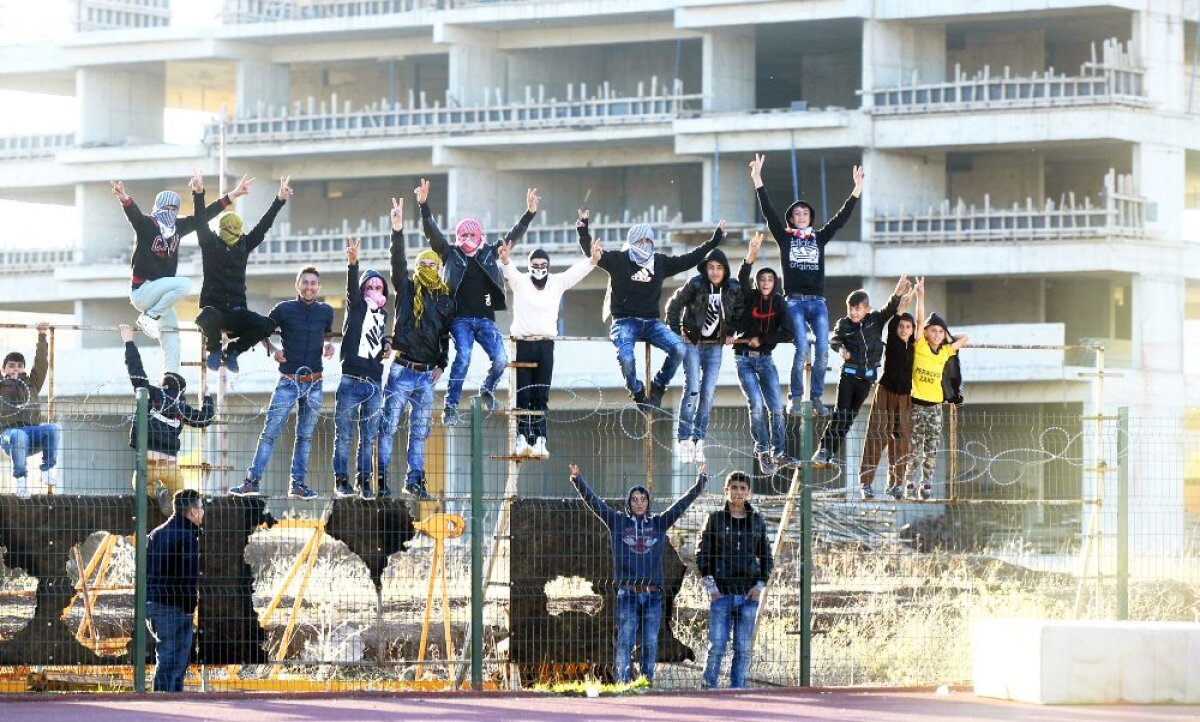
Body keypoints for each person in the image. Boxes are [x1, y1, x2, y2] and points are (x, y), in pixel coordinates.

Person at [569, 462, 707, 685]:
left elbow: (681, 505)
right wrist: (578, 480)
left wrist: (700, 484)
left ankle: (645, 681)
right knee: (625, 641)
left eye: (643, 499)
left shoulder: (659, 523)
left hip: (653, 595)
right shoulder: (617, 522)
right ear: (628, 503)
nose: (639, 503)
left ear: (648, 502)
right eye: (634, 499)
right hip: (628, 593)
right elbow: (596, 504)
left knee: (651, 642)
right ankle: (623, 684)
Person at [748, 154, 864, 416]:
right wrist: (758, 180)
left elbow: (840, 219)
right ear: (792, 219)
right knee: (801, 348)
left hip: (817, 302)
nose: (801, 215)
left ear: (810, 218)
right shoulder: (785, 239)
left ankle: (817, 398)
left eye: (805, 213)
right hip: (794, 301)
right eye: (797, 213)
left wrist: (856, 190)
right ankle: (796, 398)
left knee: (823, 350)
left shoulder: (819, 238)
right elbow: (769, 213)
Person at [416, 179, 538, 425]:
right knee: (463, 356)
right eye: (463, 234)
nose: (468, 238)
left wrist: (529, 214)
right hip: (459, 320)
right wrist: (423, 206)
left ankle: (487, 388)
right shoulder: (450, 253)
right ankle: (450, 406)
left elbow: (512, 237)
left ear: (480, 235)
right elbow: (432, 233)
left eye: (472, 234)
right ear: (457, 236)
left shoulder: (488, 253)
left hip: (485, 319)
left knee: (502, 359)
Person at [111, 172, 253, 375]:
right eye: (166, 208)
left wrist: (233, 195)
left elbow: (204, 216)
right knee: (184, 284)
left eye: (174, 209)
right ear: (157, 208)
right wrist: (124, 198)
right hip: (143, 290)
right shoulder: (147, 225)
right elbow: (133, 213)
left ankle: (171, 379)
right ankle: (149, 317)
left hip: (160, 298)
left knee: (172, 336)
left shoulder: (178, 227)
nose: (170, 212)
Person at [581, 214, 726, 409]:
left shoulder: (660, 262)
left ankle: (658, 385)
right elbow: (594, 255)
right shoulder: (618, 259)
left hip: (651, 323)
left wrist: (715, 239)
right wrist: (583, 231)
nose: (645, 244)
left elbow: (689, 259)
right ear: (632, 242)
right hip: (624, 321)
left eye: (648, 240)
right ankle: (636, 390)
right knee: (625, 356)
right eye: (640, 240)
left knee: (679, 348)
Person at [498, 209, 600, 459]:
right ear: (530, 266)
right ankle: (522, 438)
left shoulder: (556, 283)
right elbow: (509, 270)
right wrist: (505, 259)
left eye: (543, 265)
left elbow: (575, 273)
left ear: (549, 267)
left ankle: (540, 439)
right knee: (524, 394)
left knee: (541, 395)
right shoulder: (521, 282)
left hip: (545, 345)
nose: (540, 269)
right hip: (522, 344)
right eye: (535, 265)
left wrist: (593, 261)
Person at [228, 265, 335, 499]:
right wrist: (272, 349)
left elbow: (327, 332)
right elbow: (262, 329)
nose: (309, 287)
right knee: (270, 433)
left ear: (319, 287)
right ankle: (251, 482)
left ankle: (297, 485)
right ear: (297, 285)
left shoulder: (326, 311)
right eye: (304, 282)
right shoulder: (283, 309)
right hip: (287, 381)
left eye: (313, 283)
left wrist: (328, 345)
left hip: (315, 382)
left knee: (305, 437)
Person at [378, 197, 456, 501]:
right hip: (401, 369)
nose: (426, 267)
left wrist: (443, 363)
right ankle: (382, 479)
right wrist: (397, 231)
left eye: (431, 264)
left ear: (438, 267)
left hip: (426, 375)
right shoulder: (407, 289)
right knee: (388, 427)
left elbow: (445, 335)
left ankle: (415, 481)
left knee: (420, 433)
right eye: (422, 263)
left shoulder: (445, 298)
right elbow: (397, 264)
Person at [813, 275, 909, 481]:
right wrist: (841, 350)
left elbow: (890, 309)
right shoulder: (844, 324)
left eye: (857, 308)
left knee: (848, 419)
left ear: (867, 309)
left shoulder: (875, 321)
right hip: (848, 376)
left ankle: (828, 455)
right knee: (841, 414)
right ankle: (823, 450)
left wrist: (898, 292)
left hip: (865, 380)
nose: (853, 312)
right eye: (851, 309)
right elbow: (834, 340)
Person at [194, 176, 291, 374]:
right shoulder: (210, 243)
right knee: (205, 316)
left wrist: (279, 200)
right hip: (215, 309)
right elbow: (200, 221)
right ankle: (213, 349)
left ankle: (233, 351)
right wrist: (198, 194)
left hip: (238, 311)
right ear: (220, 228)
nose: (233, 231)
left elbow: (264, 226)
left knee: (266, 325)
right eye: (229, 228)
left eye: (236, 228)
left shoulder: (244, 245)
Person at [121, 324, 215, 515]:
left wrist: (128, 341)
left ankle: (157, 490)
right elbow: (205, 419)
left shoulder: (153, 394)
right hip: (171, 466)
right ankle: (185, 512)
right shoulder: (182, 408)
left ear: (163, 384)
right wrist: (207, 400)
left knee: (137, 485)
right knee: (178, 493)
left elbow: (137, 374)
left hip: (148, 462)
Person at [666, 243, 743, 465]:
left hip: (715, 345)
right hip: (693, 343)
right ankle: (683, 440)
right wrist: (676, 332)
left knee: (708, 392)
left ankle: (698, 440)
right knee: (692, 388)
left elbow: (739, 312)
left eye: (719, 267)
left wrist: (732, 332)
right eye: (711, 267)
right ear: (706, 268)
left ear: (725, 270)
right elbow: (673, 306)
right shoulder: (696, 284)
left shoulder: (733, 288)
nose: (715, 271)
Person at [696, 470, 773, 689]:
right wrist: (711, 586)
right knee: (717, 645)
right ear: (726, 490)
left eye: (743, 488)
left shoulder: (757, 522)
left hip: (748, 595)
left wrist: (759, 585)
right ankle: (708, 687)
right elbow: (702, 553)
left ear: (749, 493)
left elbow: (767, 557)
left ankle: (738, 690)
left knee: (743, 647)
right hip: (721, 594)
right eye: (734, 488)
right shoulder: (714, 520)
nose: (738, 492)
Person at [332, 237, 390, 500]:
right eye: (370, 285)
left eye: (379, 286)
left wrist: (387, 343)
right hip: (351, 380)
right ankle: (341, 481)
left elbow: (380, 340)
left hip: (374, 382)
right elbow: (350, 290)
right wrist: (352, 264)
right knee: (344, 435)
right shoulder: (356, 306)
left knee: (369, 437)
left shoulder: (384, 314)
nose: (375, 289)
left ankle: (364, 482)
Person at [735, 233, 794, 475]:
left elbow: (788, 333)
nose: (766, 282)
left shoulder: (780, 303)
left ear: (775, 282)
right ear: (758, 283)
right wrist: (751, 255)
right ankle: (762, 450)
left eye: (770, 279)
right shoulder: (750, 297)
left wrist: (765, 340)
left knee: (776, 408)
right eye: (762, 279)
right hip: (744, 359)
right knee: (756, 405)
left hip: (766, 360)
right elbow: (740, 279)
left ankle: (778, 453)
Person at [906, 278, 970, 501]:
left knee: (931, 448)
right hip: (916, 404)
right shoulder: (920, 346)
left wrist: (948, 337)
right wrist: (920, 296)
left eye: (940, 332)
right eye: (933, 331)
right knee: (914, 447)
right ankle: (911, 481)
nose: (936, 335)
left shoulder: (944, 352)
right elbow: (920, 319)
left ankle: (926, 484)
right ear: (925, 332)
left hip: (935, 406)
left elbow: (964, 339)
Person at [146, 488, 204, 693]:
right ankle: (165, 706)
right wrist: (190, 608)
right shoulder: (187, 537)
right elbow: (189, 577)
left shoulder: (156, 533)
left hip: (153, 603)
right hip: (175, 607)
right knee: (174, 664)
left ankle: (165, 703)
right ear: (193, 512)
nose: (203, 512)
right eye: (201, 507)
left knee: (166, 660)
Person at [859, 304, 918, 500]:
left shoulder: (915, 346)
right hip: (885, 393)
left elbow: (921, 318)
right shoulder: (892, 340)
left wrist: (921, 296)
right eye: (901, 326)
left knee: (901, 441)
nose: (904, 330)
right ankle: (865, 483)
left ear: (913, 330)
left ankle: (895, 484)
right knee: (876, 436)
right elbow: (894, 320)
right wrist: (903, 302)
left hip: (904, 397)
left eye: (908, 327)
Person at [0, 322, 58, 498]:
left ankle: (47, 470)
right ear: (3, 370)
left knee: (52, 429)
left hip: (32, 433)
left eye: (19, 365)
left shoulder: (31, 384)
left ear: (23, 368)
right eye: (11, 365)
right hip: (9, 435)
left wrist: (42, 335)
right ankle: (21, 480)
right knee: (18, 435)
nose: (15, 368)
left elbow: (41, 364)